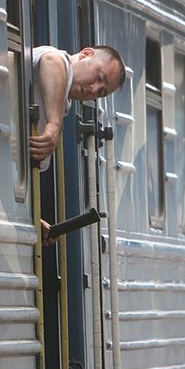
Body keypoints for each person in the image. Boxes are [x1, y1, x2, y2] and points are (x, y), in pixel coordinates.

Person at [30, 45, 126, 245]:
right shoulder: (57, 59)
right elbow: (52, 62)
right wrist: (53, 125)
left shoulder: (61, 104)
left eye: (101, 92)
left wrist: (33, 220)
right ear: (86, 54)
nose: (94, 89)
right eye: (99, 78)